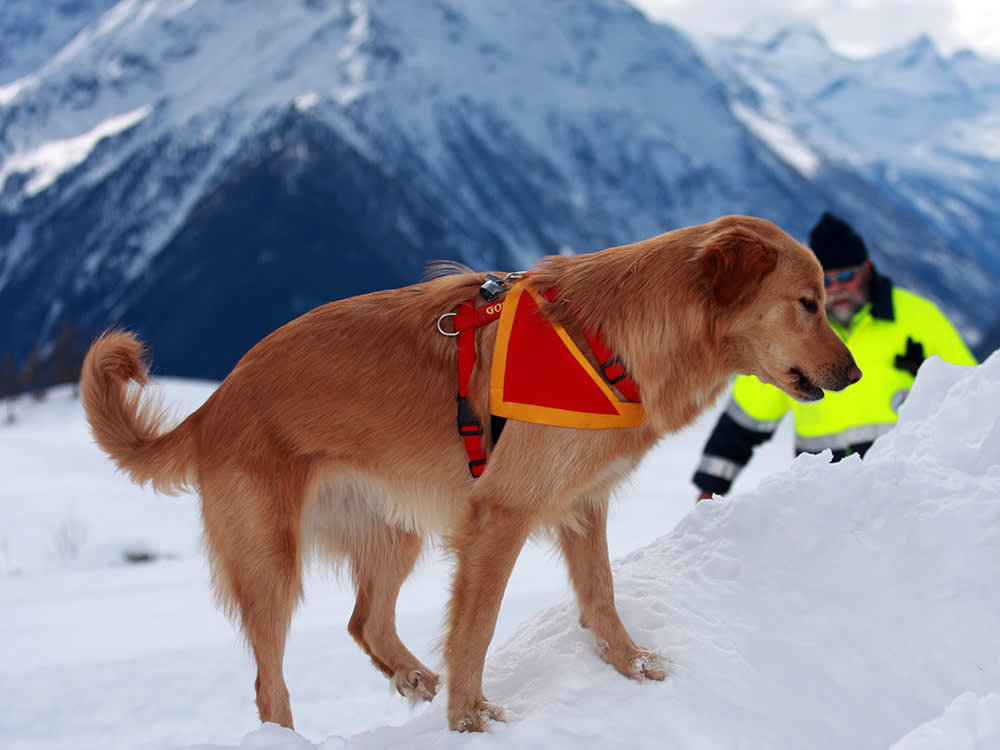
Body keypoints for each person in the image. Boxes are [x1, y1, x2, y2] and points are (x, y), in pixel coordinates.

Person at [693, 212, 977, 501]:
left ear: (866, 268)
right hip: (826, 502)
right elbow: (745, 422)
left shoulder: (919, 319)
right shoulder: (792, 335)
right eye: (825, 280)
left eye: (845, 276)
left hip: (910, 495)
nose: (836, 287)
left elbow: (976, 398)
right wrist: (710, 487)